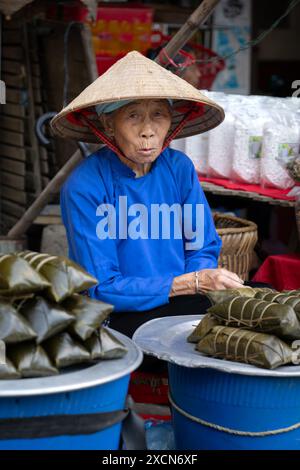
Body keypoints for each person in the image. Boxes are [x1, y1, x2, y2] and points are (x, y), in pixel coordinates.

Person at [51, 51, 247, 343]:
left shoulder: (179, 169)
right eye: (133, 116)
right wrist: (187, 284)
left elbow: (202, 247)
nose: (148, 132)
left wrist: (198, 284)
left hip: (181, 300)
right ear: (108, 125)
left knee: (261, 300)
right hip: (117, 314)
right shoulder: (85, 186)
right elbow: (102, 287)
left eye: (158, 115)